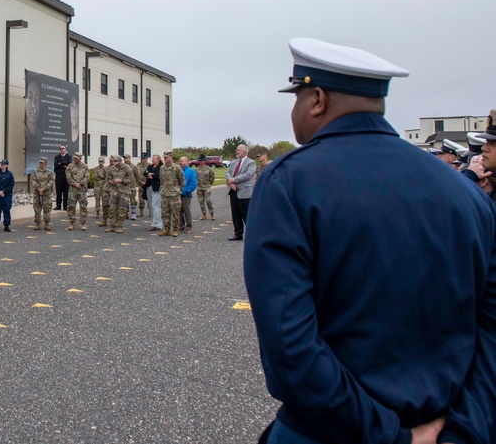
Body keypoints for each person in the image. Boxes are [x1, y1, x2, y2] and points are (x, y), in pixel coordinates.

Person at [245, 37, 496, 444]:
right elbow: (490, 331)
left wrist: (391, 437)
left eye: (297, 96)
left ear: (317, 100)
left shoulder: (290, 182)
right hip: (447, 424)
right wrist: (464, 431)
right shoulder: (466, 194)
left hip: (332, 431)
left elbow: (290, 349)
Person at [225, 143, 255, 241]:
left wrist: (234, 180)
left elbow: (248, 175)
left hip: (244, 192)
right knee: (235, 213)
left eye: (238, 150)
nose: (236, 151)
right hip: (233, 191)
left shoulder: (251, 163)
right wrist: (231, 182)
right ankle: (238, 233)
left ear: (244, 151)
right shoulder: (234, 162)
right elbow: (228, 172)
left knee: (246, 214)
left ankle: (252, 234)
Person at [157, 151, 183, 237]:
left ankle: (175, 229)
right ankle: (166, 229)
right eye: (164, 157)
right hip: (164, 194)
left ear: (171, 158)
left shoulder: (177, 168)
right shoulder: (162, 168)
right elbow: (161, 180)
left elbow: (182, 181)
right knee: (165, 213)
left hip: (174, 194)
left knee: (175, 213)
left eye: (166, 157)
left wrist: (177, 190)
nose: (165, 159)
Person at [104, 155, 133, 233]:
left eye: (117, 162)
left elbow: (130, 179)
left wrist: (122, 181)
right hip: (114, 191)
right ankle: (112, 225)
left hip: (123, 191)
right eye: (115, 162)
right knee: (112, 209)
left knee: (122, 209)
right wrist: (113, 181)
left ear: (120, 161)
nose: (116, 164)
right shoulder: (112, 168)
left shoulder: (127, 168)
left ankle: (120, 226)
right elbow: (108, 179)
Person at [65, 151, 89, 231]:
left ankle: (83, 224)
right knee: (71, 206)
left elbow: (87, 177)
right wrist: (75, 184)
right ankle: (72, 223)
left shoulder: (85, 166)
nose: (75, 159)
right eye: (74, 157)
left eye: (76, 158)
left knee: (83, 207)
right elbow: (68, 177)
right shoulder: (70, 166)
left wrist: (80, 183)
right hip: (73, 190)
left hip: (82, 190)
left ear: (80, 158)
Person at [31, 156, 54, 231]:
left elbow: (51, 181)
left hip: (46, 193)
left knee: (47, 208)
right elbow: (33, 181)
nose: (41, 164)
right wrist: (38, 188)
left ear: (46, 163)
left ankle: (47, 224)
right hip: (37, 193)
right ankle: (37, 223)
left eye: (42, 163)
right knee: (37, 208)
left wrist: (44, 188)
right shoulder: (35, 171)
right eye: (40, 162)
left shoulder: (49, 172)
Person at [0, 159, 15, 232]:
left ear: (7, 165)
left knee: (6, 210)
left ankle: (6, 225)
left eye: (3, 164)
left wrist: (4, 191)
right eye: (1, 164)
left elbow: (11, 184)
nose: (2, 166)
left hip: (6, 195)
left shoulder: (10, 174)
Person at [194, 154, 216, 220]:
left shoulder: (209, 169)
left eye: (201, 160)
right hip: (199, 187)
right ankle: (203, 214)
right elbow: (195, 178)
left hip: (207, 187)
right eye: (199, 161)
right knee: (201, 201)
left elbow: (212, 177)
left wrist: (210, 183)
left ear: (204, 161)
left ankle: (212, 214)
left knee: (208, 200)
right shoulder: (196, 169)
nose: (200, 162)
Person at [178, 156, 197, 232]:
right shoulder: (179, 171)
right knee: (179, 211)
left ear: (186, 162)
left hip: (185, 195)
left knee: (186, 211)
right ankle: (181, 225)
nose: (180, 163)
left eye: (182, 161)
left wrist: (187, 191)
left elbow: (193, 183)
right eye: (179, 161)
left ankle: (188, 226)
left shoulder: (190, 171)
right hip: (178, 194)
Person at [145, 153, 163, 231]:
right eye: (152, 158)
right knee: (151, 205)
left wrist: (152, 175)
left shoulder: (161, 167)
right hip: (149, 187)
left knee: (156, 206)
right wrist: (150, 174)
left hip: (157, 188)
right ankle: (154, 222)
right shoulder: (150, 166)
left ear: (158, 160)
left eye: (154, 158)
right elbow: (145, 173)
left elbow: (158, 175)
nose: (152, 160)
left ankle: (157, 224)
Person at [53, 145, 70, 210]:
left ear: (65, 149)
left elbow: (68, 164)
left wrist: (61, 164)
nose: (61, 150)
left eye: (62, 148)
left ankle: (65, 205)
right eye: (60, 149)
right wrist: (63, 165)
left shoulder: (69, 157)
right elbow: (56, 165)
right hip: (59, 176)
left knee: (66, 192)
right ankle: (58, 205)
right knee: (58, 191)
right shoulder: (57, 157)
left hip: (66, 177)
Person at [92, 155, 107, 219]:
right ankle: (97, 211)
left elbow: (106, 177)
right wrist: (101, 176)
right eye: (100, 161)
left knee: (104, 200)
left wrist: (100, 176)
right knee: (97, 199)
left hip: (103, 185)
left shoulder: (106, 169)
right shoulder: (95, 168)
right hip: (97, 185)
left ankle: (105, 212)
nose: (101, 163)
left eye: (102, 161)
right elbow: (95, 177)